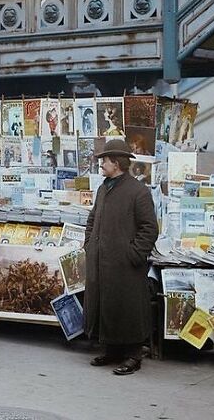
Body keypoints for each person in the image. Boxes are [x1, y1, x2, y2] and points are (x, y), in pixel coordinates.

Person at [84, 138, 158, 375]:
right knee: (107, 305)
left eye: (104, 159)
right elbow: (93, 218)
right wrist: (89, 244)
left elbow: (149, 229)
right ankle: (112, 350)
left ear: (116, 162)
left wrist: (133, 254)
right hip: (101, 261)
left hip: (125, 265)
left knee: (127, 308)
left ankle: (134, 355)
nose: (101, 163)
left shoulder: (138, 191)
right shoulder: (103, 188)